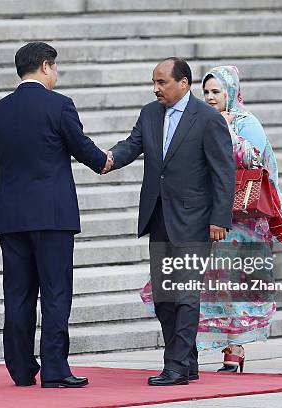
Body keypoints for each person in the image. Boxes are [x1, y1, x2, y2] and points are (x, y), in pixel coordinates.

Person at [0, 42, 113, 388]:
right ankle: (54, 369)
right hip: (53, 217)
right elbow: (80, 145)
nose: (56, 75)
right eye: (55, 68)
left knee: (18, 294)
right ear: (44, 66)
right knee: (55, 294)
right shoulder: (59, 105)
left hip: (11, 218)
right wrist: (104, 161)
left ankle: (21, 369)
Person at [104, 57, 235, 386]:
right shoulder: (150, 113)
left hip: (195, 220)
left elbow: (223, 172)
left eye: (162, 82)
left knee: (186, 293)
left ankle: (175, 366)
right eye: (155, 82)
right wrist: (105, 159)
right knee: (164, 296)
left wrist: (219, 218)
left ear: (183, 83)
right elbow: (132, 145)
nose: (156, 88)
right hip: (158, 216)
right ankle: (187, 361)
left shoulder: (206, 119)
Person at [197, 65, 282, 373]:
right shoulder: (203, 121)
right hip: (212, 212)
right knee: (214, 283)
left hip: (245, 220)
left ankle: (235, 348)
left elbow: (255, 161)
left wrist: (226, 130)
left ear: (232, 92)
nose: (211, 97)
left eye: (217, 91)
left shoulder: (246, 122)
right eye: (207, 92)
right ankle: (215, 343)